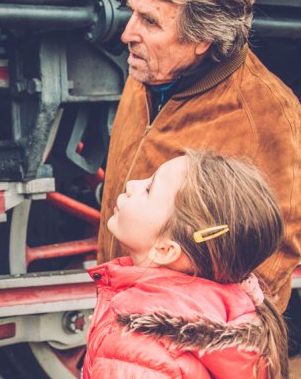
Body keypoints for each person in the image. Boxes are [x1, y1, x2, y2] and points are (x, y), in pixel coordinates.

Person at [99, 0, 301, 312]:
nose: (127, 33)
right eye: (132, 11)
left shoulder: (270, 118)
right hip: (125, 305)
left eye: (150, 21)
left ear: (202, 38)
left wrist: (172, 329)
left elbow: (267, 263)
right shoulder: (150, 71)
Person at [84, 150, 288, 378]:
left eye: (149, 190)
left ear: (165, 249)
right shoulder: (229, 308)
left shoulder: (137, 345)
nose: (132, 184)